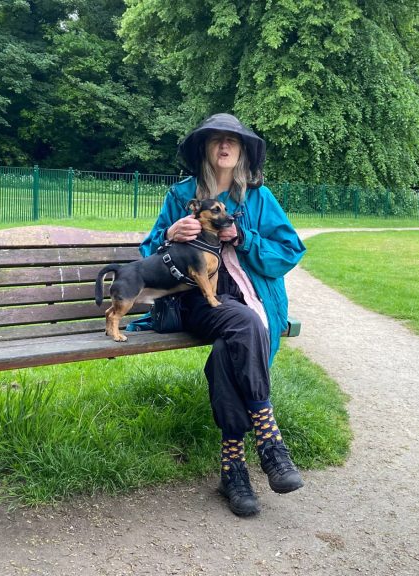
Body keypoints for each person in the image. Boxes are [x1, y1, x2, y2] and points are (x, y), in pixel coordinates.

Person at [135, 113, 307, 517]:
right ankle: (269, 440)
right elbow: (147, 255)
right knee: (245, 325)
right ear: (205, 150)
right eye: (216, 141)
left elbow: (289, 250)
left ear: (243, 151)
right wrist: (168, 236)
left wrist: (244, 237)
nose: (225, 147)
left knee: (232, 347)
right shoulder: (182, 196)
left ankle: (234, 468)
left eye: (233, 141)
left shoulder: (259, 198)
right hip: (197, 298)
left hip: (250, 294)